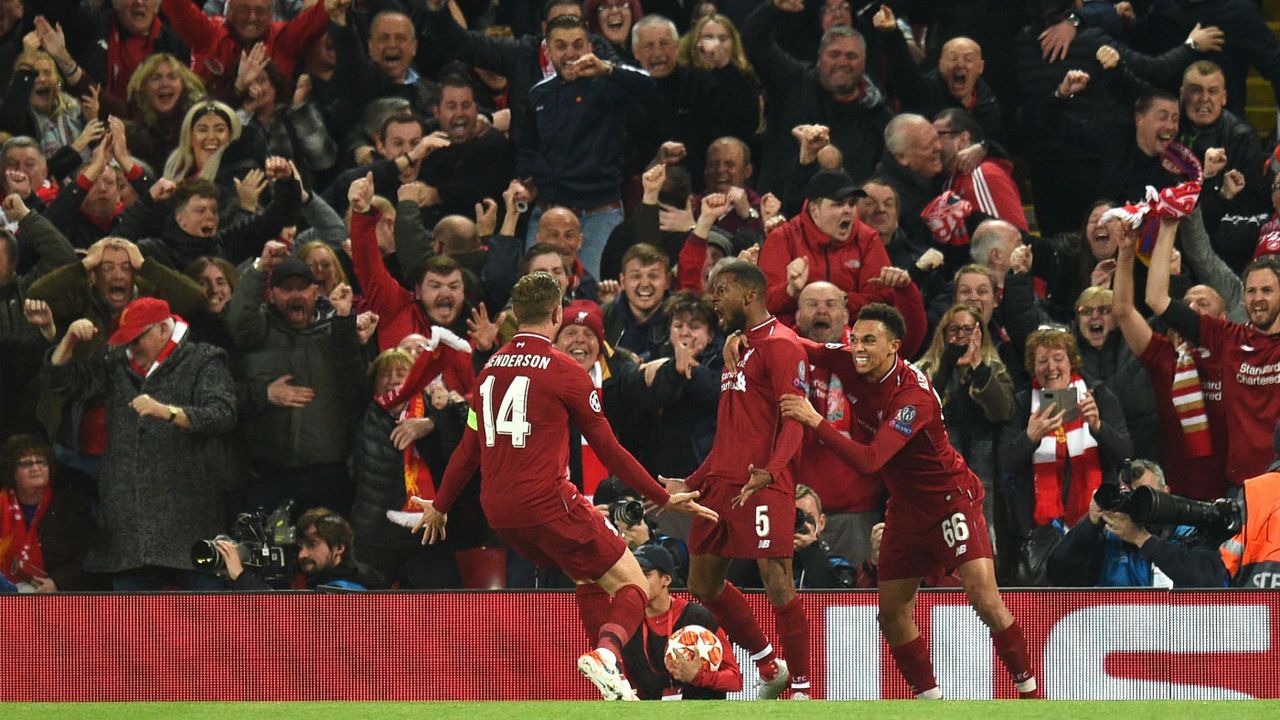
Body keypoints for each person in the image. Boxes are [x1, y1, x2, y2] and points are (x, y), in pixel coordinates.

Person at [406, 271, 717, 701]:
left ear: (515, 315)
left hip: (500, 513)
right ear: (556, 313)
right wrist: (664, 497)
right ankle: (607, 656)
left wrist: (440, 504)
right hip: (547, 502)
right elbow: (609, 450)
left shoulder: (490, 372)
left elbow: (468, 448)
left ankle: (618, 684)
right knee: (634, 584)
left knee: (588, 576)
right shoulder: (566, 371)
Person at [777, 302, 1040, 699]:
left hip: (950, 500)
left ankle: (1031, 695)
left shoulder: (913, 397)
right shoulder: (852, 360)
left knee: (984, 599)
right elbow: (801, 345)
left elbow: (870, 461)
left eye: (870, 340)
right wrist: (750, 334)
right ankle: (929, 702)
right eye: (856, 339)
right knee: (892, 613)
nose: (858, 348)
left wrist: (814, 419)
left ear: (894, 347)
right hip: (905, 508)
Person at [663, 260, 811, 700]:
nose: (714, 298)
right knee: (702, 583)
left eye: (720, 289)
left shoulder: (783, 345)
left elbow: (795, 418)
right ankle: (769, 665)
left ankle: (803, 690)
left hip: (763, 481)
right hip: (720, 484)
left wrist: (774, 469)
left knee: (777, 578)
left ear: (748, 294)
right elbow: (732, 429)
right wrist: (690, 479)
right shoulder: (736, 347)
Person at [44, 296, 236, 590]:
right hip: (130, 528)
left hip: (191, 519)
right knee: (134, 632)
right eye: (127, 340)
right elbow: (66, 383)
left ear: (161, 329)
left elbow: (222, 415)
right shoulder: (115, 362)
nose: (131, 347)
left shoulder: (203, 359)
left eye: (137, 339)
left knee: (204, 627)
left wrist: (167, 412)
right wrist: (68, 340)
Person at [225, 243, 368, 517]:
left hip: (328, 473)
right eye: (285, 289)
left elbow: (356, 390)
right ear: (273, 294)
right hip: (268, 473)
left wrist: (344, 323)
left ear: (315, 291)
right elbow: (238, 321)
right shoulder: (259, 330)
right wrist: (259, 269)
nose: (294, 295)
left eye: (302, 288)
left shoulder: (335, 329)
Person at [1145, 210, 1280, 487]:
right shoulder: (1228, 337)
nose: (1257, 299)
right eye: (1251, 291)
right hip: (1243, 488)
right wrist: (1168, 229)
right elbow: (1156, 299)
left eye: (1267, 291)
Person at [515, 13, 656, 279]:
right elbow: (527, 149)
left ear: (589, 48)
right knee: (536, 295)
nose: (570, 53)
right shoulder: (538, 95)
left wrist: (606, 68)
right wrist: (524, 181)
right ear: (547, 50)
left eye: (577, 44)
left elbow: (647, 84)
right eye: (561, 46)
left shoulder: (611, 86)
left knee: (594, 296)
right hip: (548, 211)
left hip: (599, 214)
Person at [1047, 459, 1229, 588]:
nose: (1135, 505)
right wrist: (1090, 523)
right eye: (1128, 496)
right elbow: (1059, 574)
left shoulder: (1190, 533)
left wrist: (1143, 540)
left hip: (1176, 635)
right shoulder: (1111, 538)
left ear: (1165, 492)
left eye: (1144, 495)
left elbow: (1212, 583)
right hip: (1120, 635)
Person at [620, 544, 742, 700]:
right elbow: (628, 689)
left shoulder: (697, 617)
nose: (637, 581)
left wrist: (700, 677)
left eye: (645, 574)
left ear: (666, 579)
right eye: (633, 574)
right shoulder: (628, 625)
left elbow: (735, 680)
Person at [0, 433, 96, 592]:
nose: (35, 468)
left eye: (41, 462)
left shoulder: (69, 504)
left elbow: (89, 555)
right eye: (26, 464)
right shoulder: (2, 505)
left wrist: (57, 582)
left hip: (57, 592)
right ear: (12, 471)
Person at [217, 507, 388, 590]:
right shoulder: (331, 579)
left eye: (312, 545)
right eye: (300, 547)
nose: (303, 554)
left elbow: (286, 624)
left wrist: (241, 577)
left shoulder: (343, 590)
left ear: (339, 548)